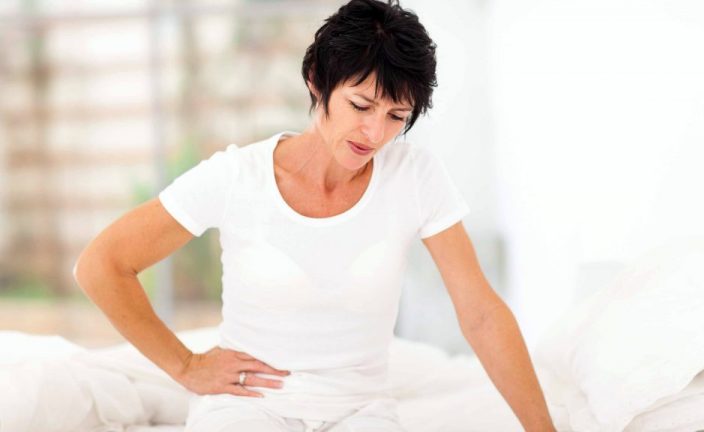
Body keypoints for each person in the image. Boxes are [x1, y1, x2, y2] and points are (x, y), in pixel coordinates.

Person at [73, 0, 556, 431]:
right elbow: (101, 265)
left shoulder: (415, 175)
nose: (375, 133)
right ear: (317, 81)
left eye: (396, 116)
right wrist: (185, 365)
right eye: (361, 105)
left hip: (361, 411)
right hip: (247, 406)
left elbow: (482, 314)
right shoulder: (238, 176)